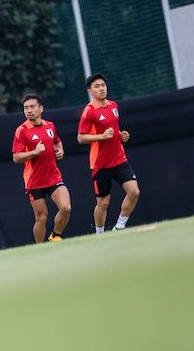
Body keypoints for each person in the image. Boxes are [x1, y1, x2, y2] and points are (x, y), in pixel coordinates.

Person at [77, 73, 139, 233]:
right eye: (97, 86)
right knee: (103, 203)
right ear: (90, 91)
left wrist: (121, 134)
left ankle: (119, 227)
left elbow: (113, 130)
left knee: (134, 192)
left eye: (103, 85)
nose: (101, 88)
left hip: (119, 159)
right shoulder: (89, 111)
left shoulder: (113, 106)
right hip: (100, 164)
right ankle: (99, 234)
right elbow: (81, 138)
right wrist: (102, 137)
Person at [13, 94, 72, 243]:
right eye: (26, 108)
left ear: (41, 108)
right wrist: (34, 152)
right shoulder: (22, 130)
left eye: (32, 107)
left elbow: (57, 142)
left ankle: (55, 235)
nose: (29, 110)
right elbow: (16, 157)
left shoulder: (50, 126)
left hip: (53, 177)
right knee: (41, 217)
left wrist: (60, 151)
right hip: (34, 181)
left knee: (66, 208)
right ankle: (40, 248)